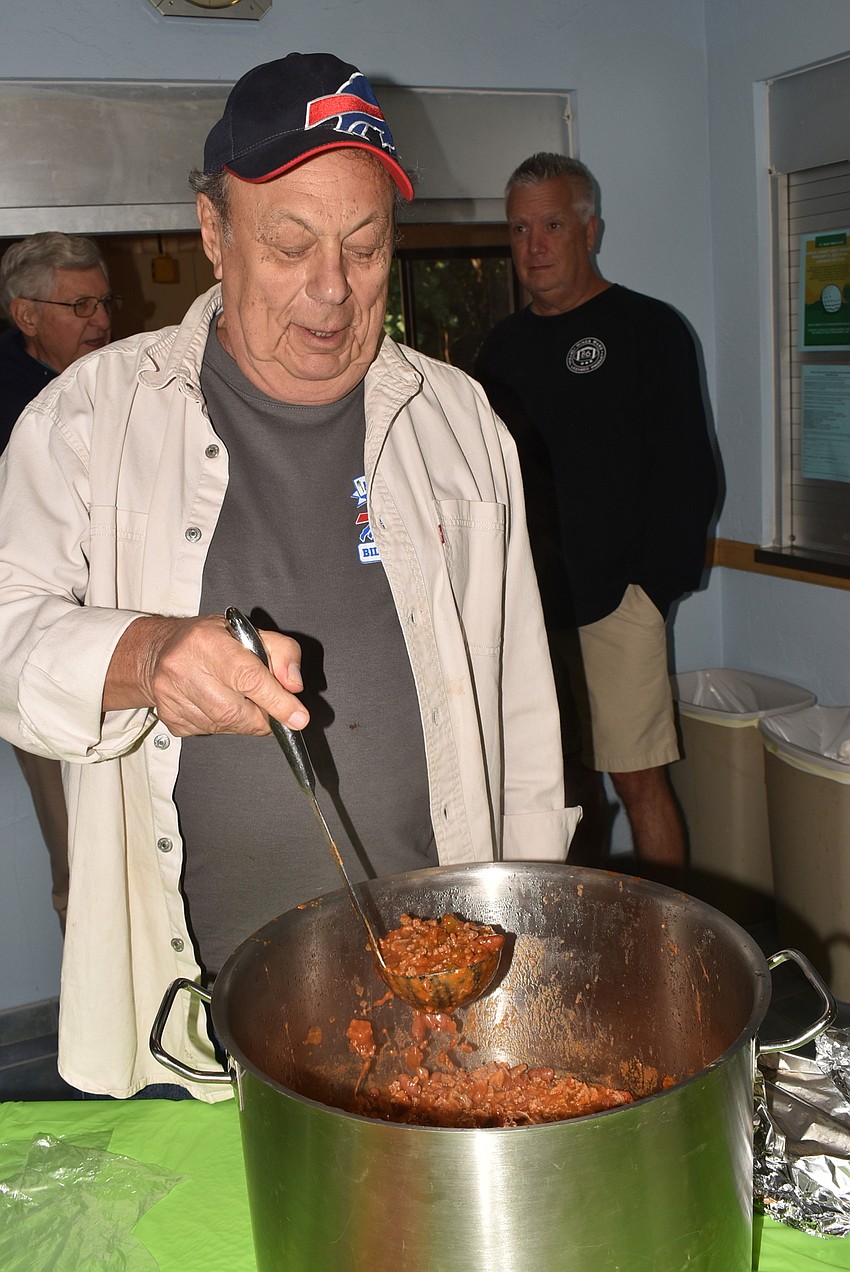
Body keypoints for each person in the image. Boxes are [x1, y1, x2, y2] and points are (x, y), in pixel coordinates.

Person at [0, 56, 577, 1100]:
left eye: (365, 248)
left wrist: (520, 946)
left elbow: (522, 719)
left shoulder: (461, 423)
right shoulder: (89, 420)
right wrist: (146, 655)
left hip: (433, 996)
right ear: (214, 232)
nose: (331, 290)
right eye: (292, 245)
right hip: (194, 1007)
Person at [475, 153, 717, 879]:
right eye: (520, 229)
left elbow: (691, 472)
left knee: (637, 781)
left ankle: (676, 954)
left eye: (551, 224)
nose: (534, 246)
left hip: (618, 605)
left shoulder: (648, 329)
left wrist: (652, 589)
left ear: (590, 229)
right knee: (549, 788)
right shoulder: (502, 349)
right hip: (528, 611)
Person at [0, 231, 119, 930]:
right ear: (25, 315)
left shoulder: (111, 383)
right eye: (79, 306)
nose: (100, 320)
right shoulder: (16, 403)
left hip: (121, 639)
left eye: (103, 302)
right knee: (77, 853)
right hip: (43, 649)